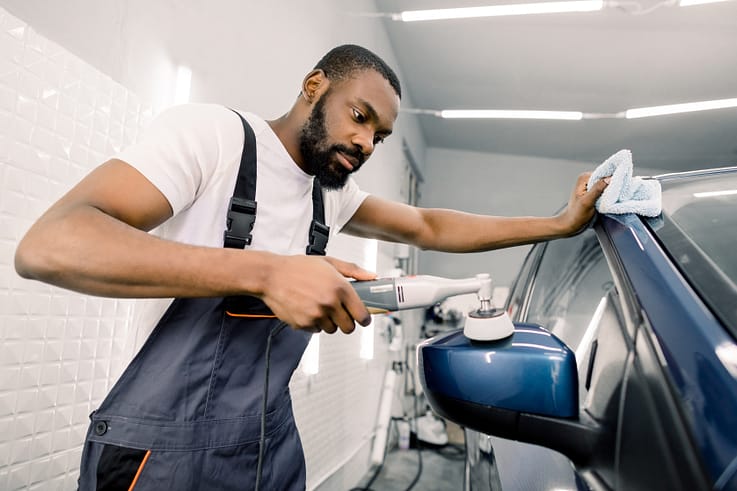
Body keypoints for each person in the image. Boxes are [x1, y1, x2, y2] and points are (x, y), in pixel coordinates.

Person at [14, 44, 608, 490]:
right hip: (162, 454)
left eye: (379, 133)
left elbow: (429, 226)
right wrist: (268, 272)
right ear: (313, 85)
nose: (368, 142)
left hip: (271, 445)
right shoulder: (215, 138)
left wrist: (558, 224)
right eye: (359, 115)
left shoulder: (329, 195)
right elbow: (50, 244)